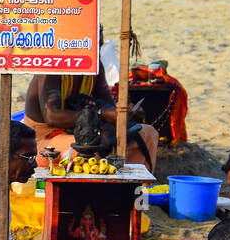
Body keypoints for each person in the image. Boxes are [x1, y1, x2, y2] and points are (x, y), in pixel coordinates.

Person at [22, 29, 158, 171]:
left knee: (147, 133)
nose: (97, 48)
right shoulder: (53, 65)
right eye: (93, 43)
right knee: (89, 147)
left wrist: (126, 113)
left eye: (99, 43)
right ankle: (96, 192)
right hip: (46, 139)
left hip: (84, 132)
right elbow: (52, 116)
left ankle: (134, 189)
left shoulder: (95, 65)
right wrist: (100, 114)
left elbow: (108, 106)